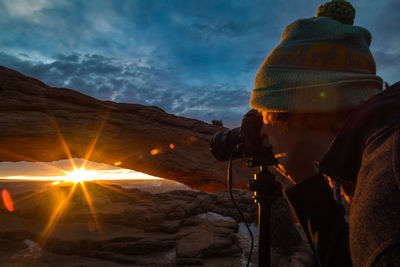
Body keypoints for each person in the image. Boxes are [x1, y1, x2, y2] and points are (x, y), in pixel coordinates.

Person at [249, 0, 400, 266]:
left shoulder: (387, 203)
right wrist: (305, 179)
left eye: (264, 114)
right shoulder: (377, 155)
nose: (261, 132)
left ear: (301, 111)